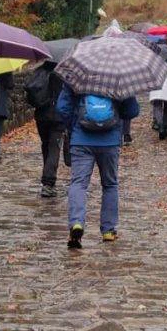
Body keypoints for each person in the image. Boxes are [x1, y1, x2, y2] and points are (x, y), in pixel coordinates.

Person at [56, 85, 139, 248]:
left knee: (78, 183)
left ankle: (76, 223)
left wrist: (74, 125)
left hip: (81, 139)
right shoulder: (118, 78)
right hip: (110, 141)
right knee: (110, 185)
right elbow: (132, 111)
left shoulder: (77, 78)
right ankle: (108, 230)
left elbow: (61, 108)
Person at [25, 62, 65, 197]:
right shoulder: (62, 73)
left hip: (41, 115)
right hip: (58, 116)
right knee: (54, 147)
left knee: (46, 145)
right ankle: (48, 182)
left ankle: (47, 175)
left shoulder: (38, 71)